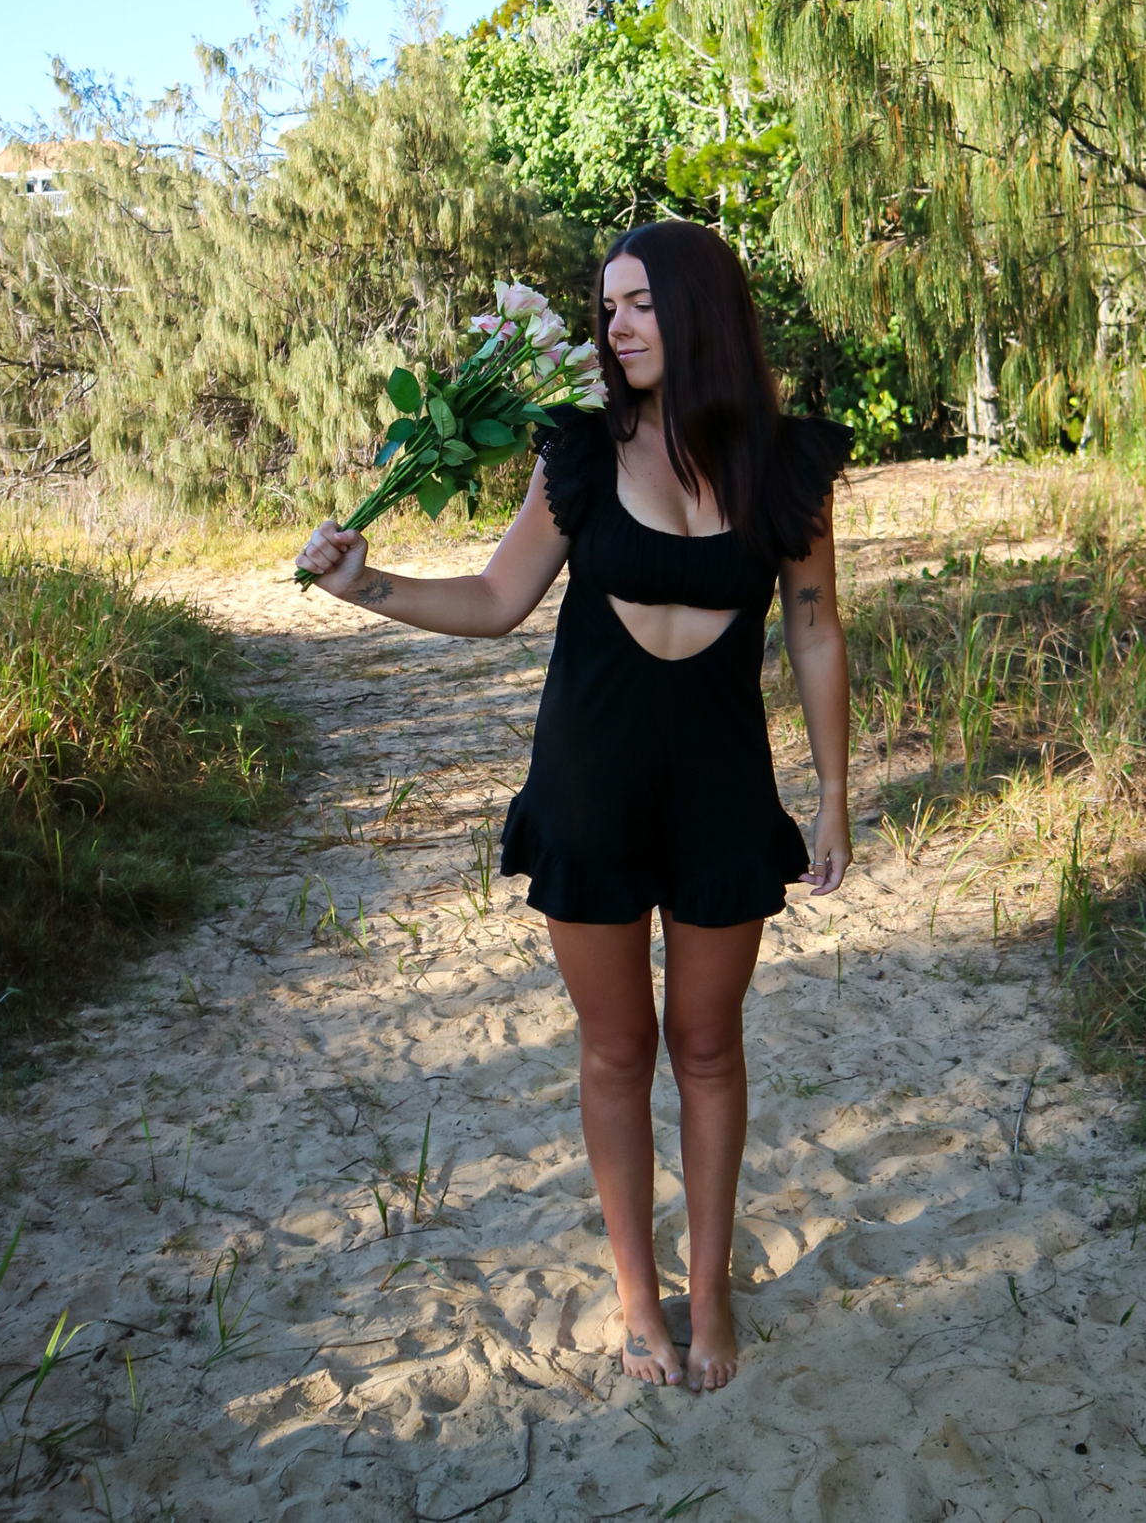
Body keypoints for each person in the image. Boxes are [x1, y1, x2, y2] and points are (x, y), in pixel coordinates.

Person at [295, 220, 852, 1392]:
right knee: (616, 1048)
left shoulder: (785, 467)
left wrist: (836, 791)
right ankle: (636, 1295)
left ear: (699, 308)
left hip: (721, 795)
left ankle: (708, 1294)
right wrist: (366, 584)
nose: (617, 326)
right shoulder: (581, 455)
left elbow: (811, 624)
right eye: (607, 307)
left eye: (639, 302)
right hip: (587, 790)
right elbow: (499, 598)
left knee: (707, 1045)